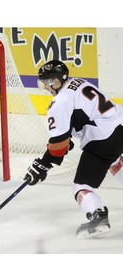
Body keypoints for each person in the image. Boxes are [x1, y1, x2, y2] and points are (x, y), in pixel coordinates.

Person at [23, 60, 123, 239]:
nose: (47, 87)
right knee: (114, 160)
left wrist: (43, 165)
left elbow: (59, 146)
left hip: (103, 137)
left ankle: (98, 215)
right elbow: (76, 121)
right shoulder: (78, 82)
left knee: (80, 187)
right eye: (45, 82)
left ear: (59, 80)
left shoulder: (59, 101)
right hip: (120, 124)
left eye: (50, 82)